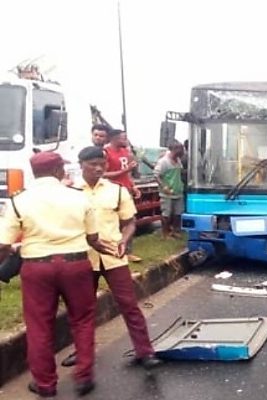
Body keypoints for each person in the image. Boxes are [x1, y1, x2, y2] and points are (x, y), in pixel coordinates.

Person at [0, 152, 113, 397]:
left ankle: (45, 384)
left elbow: (4, 244)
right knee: (82, 320)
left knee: (39, 325)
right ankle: (84, 377)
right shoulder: (78, 197)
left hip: (36, 267)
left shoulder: (19, 200)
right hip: (76, 264)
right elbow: (93, 237)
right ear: (58, 171)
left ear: (34, 172)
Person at [62, 146, 161, 370]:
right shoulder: (70, 192)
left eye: (102, 163)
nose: (98, 168)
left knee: (129, 304)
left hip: (114, 257)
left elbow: (129, 222)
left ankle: (144, 351)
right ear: (81, 165)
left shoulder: (117, 191)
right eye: (92, 164)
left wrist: (124, 241)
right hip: (82, 257)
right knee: (81, 308)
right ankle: (82, 351)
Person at [104, 128, 142, 262]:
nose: (125, 140)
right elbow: (103, 174)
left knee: (130, 221)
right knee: (115, 223)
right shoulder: (106, 152)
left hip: (126, 191)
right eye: (123, 138)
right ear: (114, 138)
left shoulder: (125, 152)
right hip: (112, 191)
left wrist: (133, 186)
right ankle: (113, 249)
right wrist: (125, 170)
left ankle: (127, 251)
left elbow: (128, 174)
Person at [154, 141, 185, 238]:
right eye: (179, 149)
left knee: (178, 213)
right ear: (173, 150)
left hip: (178, 191)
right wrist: (164, 187)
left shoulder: (178, 160)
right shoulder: (163, 161)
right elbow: (157, 175)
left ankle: (176, 231)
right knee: (166, 214)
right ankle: (165, 234)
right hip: (167, 193)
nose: (181, 151)